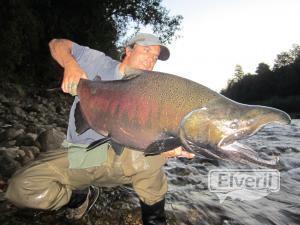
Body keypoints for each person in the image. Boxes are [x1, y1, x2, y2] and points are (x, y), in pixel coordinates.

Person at [5, 33, 194, 225]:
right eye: (146, 51)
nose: (150, 60)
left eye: (154, 57)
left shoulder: (153, 90)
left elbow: (158, 129)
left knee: (155, 155)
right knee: (21, 188)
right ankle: (77, 197)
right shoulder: (98, 62)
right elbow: (56, 44)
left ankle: (154, 219)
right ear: (128, 50)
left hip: (123, 161)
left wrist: (170, 144)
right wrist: (71, 66)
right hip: (83, 156)